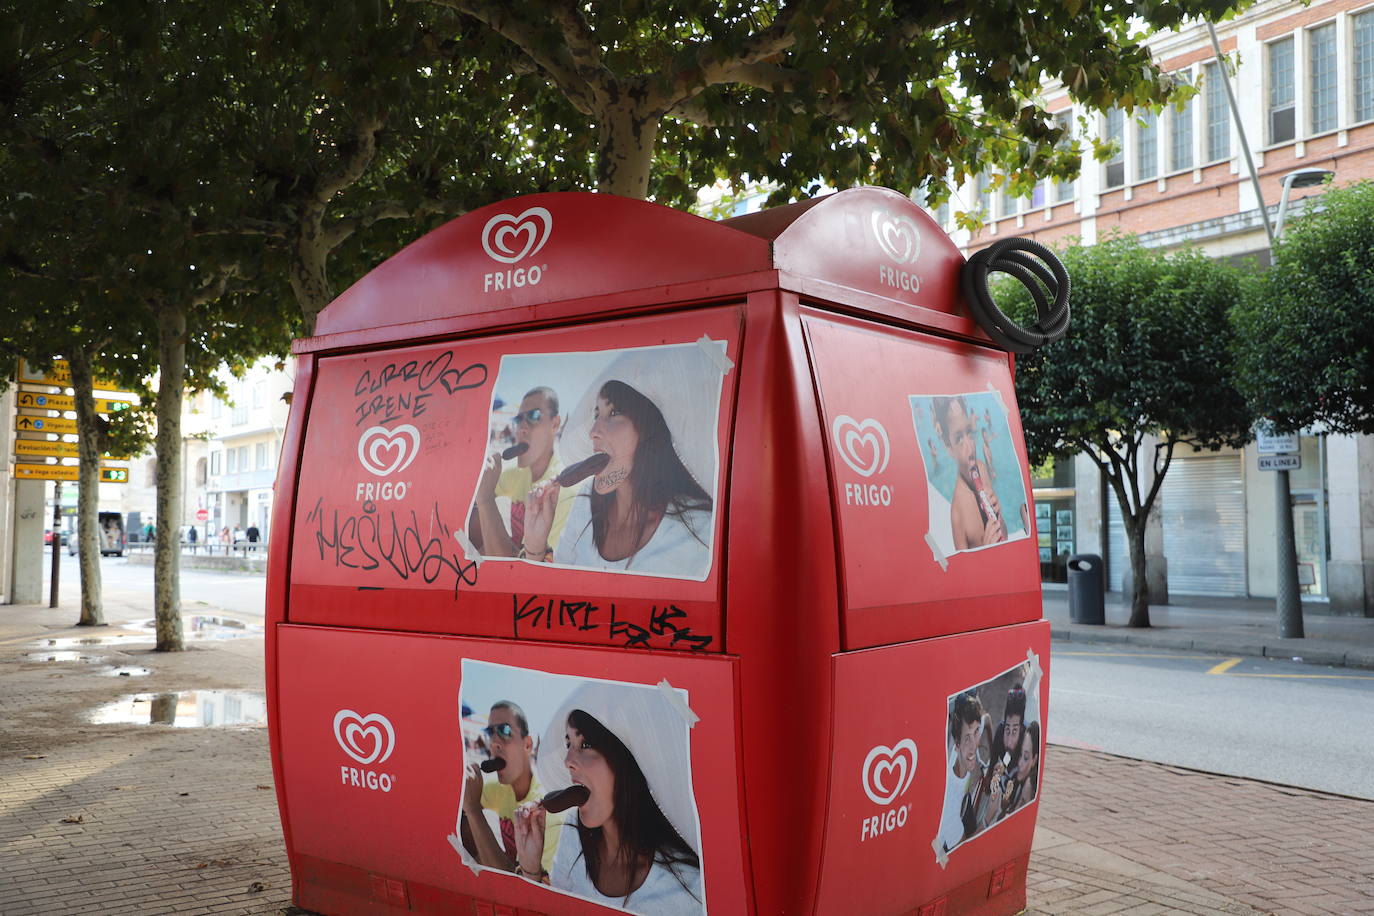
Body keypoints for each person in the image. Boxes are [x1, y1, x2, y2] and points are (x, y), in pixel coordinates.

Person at [521, 347, 719, 579]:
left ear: (649, 431)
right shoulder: (584, 508)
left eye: (614, 413)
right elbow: (557, 599)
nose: (593, 431)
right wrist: (536, 546)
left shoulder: (701, 533)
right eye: (597, 415)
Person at [513, 683, 703, 915]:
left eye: (586, 744)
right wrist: (531, 868)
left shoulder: (690, 891)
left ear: (627, 761)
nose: (567, 760)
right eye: (568, 744)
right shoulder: (572, 838)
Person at [469, 387, 577, 558]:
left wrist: (486, 499)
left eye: (534, 417)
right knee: (471, 519)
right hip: (516, 556)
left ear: (555, 424)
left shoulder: (563, 490)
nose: (521, 428)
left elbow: (531, 567)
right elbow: (472, 501)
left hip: (535, 573)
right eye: (519, 419)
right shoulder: (518, 472)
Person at [460, 701, 563, 874]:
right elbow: (461, 801)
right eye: (490, 733)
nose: (494, 742)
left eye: (505, 730)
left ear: (528, 745)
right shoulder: (502, 789)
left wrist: (474, 810)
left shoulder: (548, 812)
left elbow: (527, 888)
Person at [934, 395, 1005, 550]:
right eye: (959, 439)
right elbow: (963, 573)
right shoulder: (957, 514)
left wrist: (999, 517)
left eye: (969, 432)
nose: (969, 446)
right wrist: (985, 552)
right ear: (948, 447)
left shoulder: (981, 469)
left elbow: (1004, 535)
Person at [938, 691, 993, 853]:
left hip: (963, 799)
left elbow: (987, 720)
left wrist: (993, 756)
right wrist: (989, 817)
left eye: (976, 733)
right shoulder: (950, 807)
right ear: (957, 744)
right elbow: (965, 852)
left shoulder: (968, 727)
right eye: (967, 738)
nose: (973, 745)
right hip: (942, 843)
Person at [1001, 721, 1040, 816]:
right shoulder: (1017, 779)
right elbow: (1004, 805)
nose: (1020, 763)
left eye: (1026, 758)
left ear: (1034, 760)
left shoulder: (1030, 784)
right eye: (1021, 755)